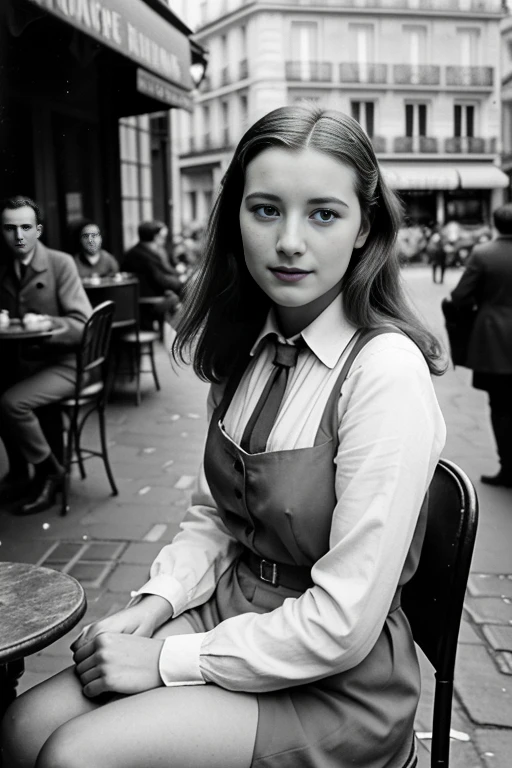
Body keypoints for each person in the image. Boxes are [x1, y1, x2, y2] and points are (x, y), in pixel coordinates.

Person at [1, 107, 446, 768]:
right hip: (231, 611)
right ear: (235, 219)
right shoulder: (250, 346)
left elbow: (345, 623)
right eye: (266, 209)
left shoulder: (385, 372)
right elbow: (216, 517)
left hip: (336, 679)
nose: (290, 241)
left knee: (75, 755)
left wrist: (165, 659)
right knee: (22, 723)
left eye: (324, 213)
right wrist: (155, 605)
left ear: (365, 229)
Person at [0, 196, 92, 515]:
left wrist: (46, 324)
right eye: (10, 228)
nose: (19, 236)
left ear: (38, 230)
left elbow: (83, 326)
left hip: (64, 364)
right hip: (23, 363)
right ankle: (19, 473)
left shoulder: (60, 263)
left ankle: (50, 472)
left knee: (12, 403)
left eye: (26, 227)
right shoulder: (4, 266)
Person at [450, 203, 512, 488]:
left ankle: (508, 466)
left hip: (495, 340)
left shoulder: (484, 254)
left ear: (495, 223)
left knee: (500, 405)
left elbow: (461, 296)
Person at [121, 220, 183, 330]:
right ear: (155, 237)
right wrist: (182, 283)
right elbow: (160, 279)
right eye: (162, 236)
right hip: (145, 302)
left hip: (151, 296)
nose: (164, 240)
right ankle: (180, 335)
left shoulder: (144, 251)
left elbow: (165, 272)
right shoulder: (141, 256)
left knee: (178, 297)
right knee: (178, 299)